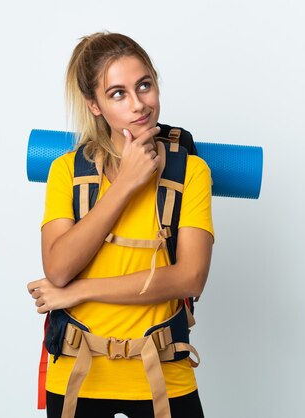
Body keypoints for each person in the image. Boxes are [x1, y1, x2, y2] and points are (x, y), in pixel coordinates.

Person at [27, 32, 214, 418]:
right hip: (78, 378)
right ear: (94, 105)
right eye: (117, 94)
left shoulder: (191, 172)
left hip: (164, 373)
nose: (138, 104)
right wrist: (126, 183)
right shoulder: (66, 171)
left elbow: (190, 278)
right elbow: (58, 268)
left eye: (144, 85)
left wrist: (79, 291)